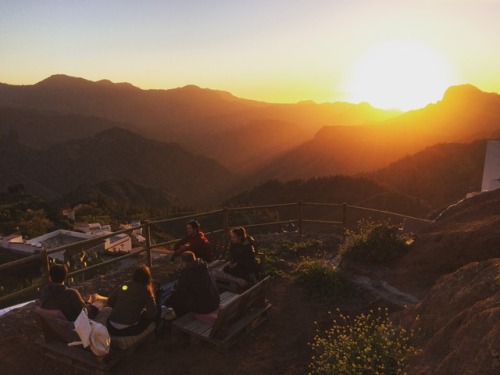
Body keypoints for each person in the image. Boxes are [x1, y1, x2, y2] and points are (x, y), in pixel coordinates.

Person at [164, 251, 220, 320]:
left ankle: (179, 319)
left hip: (205, 307)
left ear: (183, 262)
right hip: (214, 301)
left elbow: (180, 293)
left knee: (176, 300)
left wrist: (169, 300)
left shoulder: (187, 273)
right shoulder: (203, 268)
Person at [106, 265, 157, 336]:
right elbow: (152, 313)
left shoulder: (124, 285)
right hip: (127, 329)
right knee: (152, 316)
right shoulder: (146, 291)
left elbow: (109, 301)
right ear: (147, 278)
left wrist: (122, 307)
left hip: (110, 326)